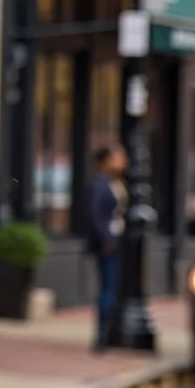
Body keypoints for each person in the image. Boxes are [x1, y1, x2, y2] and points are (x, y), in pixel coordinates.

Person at [86, 144, 126, 349]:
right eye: (117, 156)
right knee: (108, 288)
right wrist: (106, 240)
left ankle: (111, 331)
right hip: (108, 244)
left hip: (118, 241)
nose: (122, 160)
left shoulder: (115, 182)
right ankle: (102, 335)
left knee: (113, 288)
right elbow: (96, 215)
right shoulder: (99, 184)